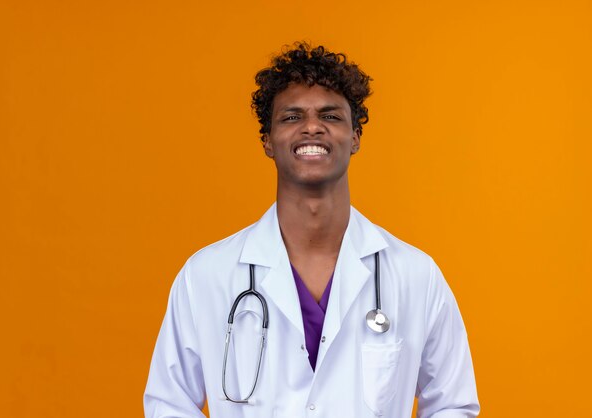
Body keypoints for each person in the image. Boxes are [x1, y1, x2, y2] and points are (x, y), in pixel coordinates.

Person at [144, 42, 480, 418]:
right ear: (267, 142)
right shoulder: (206, 275)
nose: (312, 127)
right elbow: (169, 404)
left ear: (355, 138)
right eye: (291, 117)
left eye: (331, 116)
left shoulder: (416, 275)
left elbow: (453, 403)